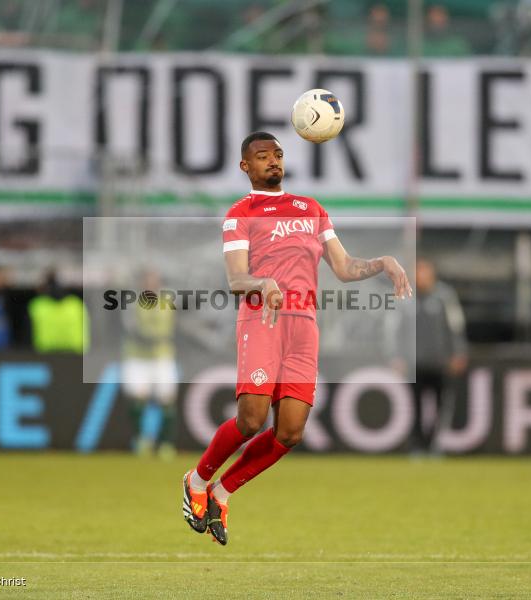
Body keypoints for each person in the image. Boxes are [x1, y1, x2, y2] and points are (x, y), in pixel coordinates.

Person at [181, 131, 413, 546]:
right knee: (251, 420)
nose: (273, 161)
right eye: (262, 156)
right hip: (262, 319)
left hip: (303, 326)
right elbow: (236, 279)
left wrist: (383, 261)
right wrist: (263, 282)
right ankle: (197, 480)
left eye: (278, 154)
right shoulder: (240, 213)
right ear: (245, 167)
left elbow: (343, 267)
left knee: (289, 432)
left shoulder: (311, 209)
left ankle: (222, 492)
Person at [393, 258, 468, 455]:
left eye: (424, 272)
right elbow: (396, 330)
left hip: (440, 363)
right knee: (414, 408)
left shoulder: (445, 297)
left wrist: (458, 353)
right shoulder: (405, 297)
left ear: (432, 274)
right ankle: (417, 446)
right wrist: (397, 356)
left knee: (440, 406)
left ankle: (434, 444)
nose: (421, 277)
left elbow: (456, 327)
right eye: (417, 272)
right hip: (414, 364)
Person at [121, 269, 178, 460]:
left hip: (162, 356)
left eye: (153, 280)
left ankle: (164, 444)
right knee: (138, 398)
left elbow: (172, 327)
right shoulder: (133, 303)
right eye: (147, 280)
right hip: (137, 356)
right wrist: (151, 337)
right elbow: (130, 328)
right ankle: (141, 441)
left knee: (167, 400)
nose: (150, 284)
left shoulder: (167, 300)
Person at [28, 271, 88, 354]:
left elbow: (27, 332)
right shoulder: (76, 304)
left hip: (46, 351)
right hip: (74, 351)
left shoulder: (38, 305)